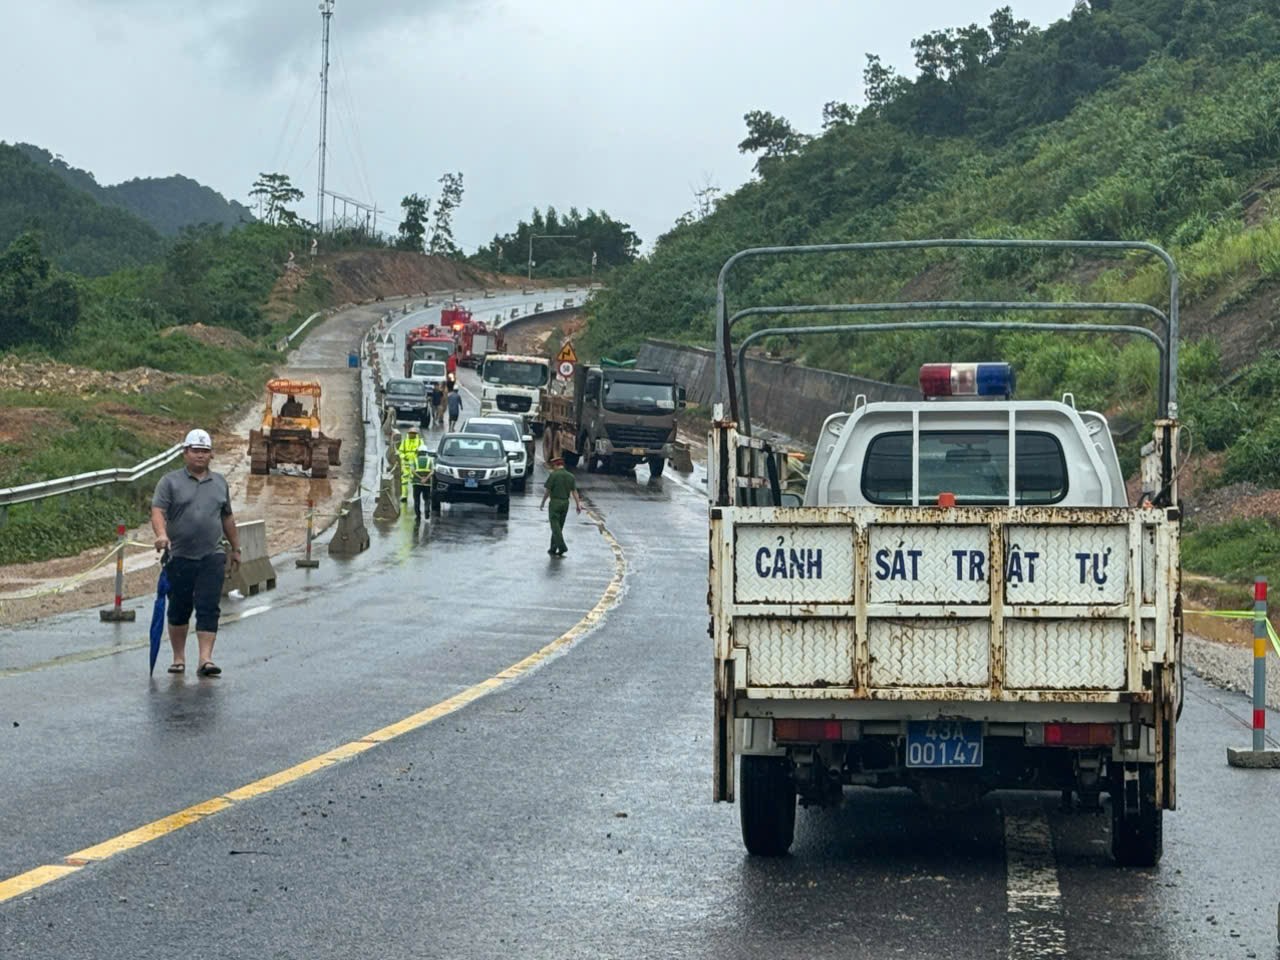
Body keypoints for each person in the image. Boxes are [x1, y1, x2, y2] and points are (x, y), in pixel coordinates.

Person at [150, 428, 238, 677]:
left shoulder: (220, 482)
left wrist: (236, 548)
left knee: (209, 606)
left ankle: (205, 659)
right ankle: (179, 658)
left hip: (212, 555)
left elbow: (227, 517)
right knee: (179, 607)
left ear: (211, 455)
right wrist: (161, 534)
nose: (200, 456)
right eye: (195, 451)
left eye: (205, 451)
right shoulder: (170, 482)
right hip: (180, 556)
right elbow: (158, 511)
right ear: (185, 453)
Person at [539, 454, 583, 556]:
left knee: (555, 526)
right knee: (559, 526)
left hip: (555, 503)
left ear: (556, 465)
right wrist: (578, 504)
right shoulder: (570, 476)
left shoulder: (554, 475)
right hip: (565, 503)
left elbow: (548, 491)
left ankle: (562, 546)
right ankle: (553, 548)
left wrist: (543, 502)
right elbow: (574, 492)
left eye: (553, 465)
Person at [397, 426, 422, 502]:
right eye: (411, 433)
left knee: (415, 481)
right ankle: (404, 495)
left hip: (415, 465)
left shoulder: (419, 442)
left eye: (413, 433)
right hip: (406, 464)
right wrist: (403, 456)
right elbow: (400, 452)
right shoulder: (405, 442)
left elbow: (423, 452)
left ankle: (415, 496)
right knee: (404, 480)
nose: (412, 435)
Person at [411, 444, 434, 518]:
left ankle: (418, 515)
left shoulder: (415, 460)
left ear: (419, 452)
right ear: (426, 452)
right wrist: (426, 478)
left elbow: (413, 471)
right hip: (427, 484)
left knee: (416, 499)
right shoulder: (430, 460)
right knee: (427, 499)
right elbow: (432, 471)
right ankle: (427, 511)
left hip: (416, 483)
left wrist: (420, 478)